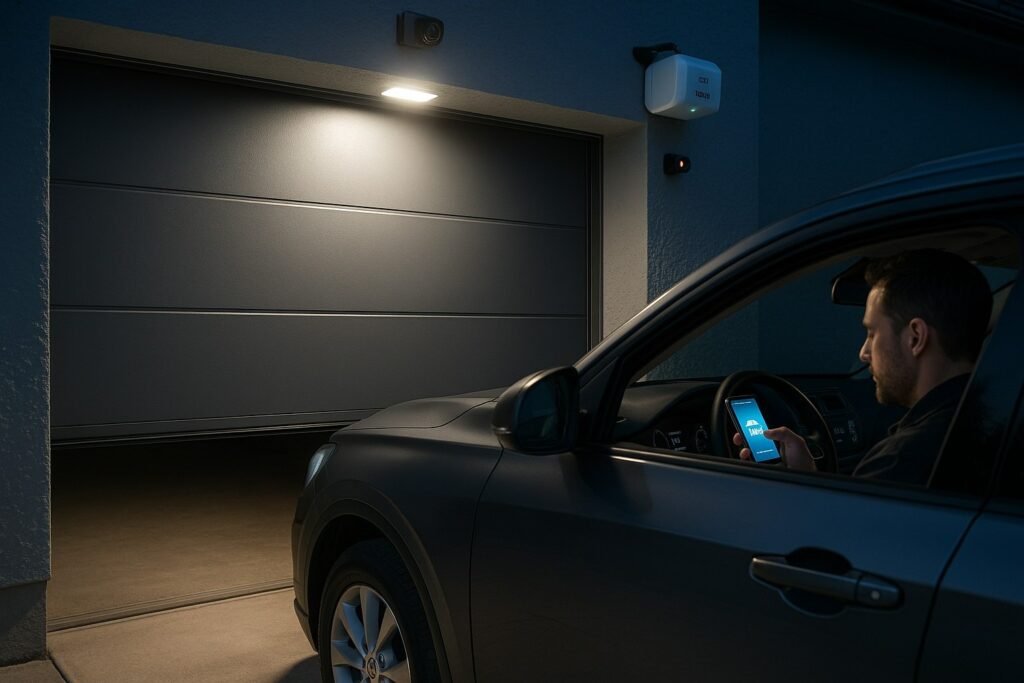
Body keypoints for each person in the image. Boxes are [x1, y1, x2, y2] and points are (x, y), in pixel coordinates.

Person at [734, 248, 994, 485]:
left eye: (872, 333)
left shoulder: (900, 463)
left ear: (915, 337)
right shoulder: (993, 422)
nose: (863, 353)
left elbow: (826, 536)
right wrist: (808, 477)